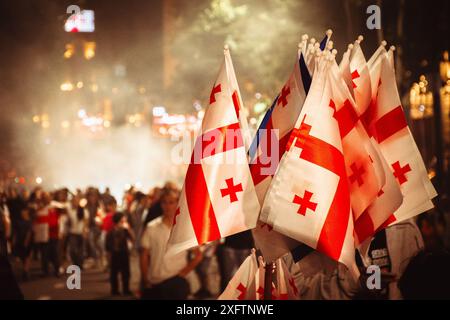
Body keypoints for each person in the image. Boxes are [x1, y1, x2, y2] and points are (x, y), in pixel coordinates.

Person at [140, 187, 202, 299]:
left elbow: (198, 255)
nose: (167, 206)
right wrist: (145, 278)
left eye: (171, 202)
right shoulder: (152, 227)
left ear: (177, 203)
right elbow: (144, 254)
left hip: (176, 281)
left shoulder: (184, 228)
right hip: (155, 280)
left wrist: (183, 273)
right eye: (164, 202)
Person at [105, 212, 134, 296]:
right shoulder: (110, 232)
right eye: (123, 220)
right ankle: (115, 290)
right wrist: (108, 257)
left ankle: (126, 289)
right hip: (115, 254)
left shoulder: (125, 230)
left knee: (126, 273)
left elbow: (133, 239)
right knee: (114, 273)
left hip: (123, 253)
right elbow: (107, 247)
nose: (124, 221)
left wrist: (129, 229)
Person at [67, 194, 87, 269]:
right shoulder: (70, 211)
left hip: (80, 232)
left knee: (80, 250)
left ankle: (80, 264)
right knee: (73, 250)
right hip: (72, 232)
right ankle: (75, 262)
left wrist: (84, 231)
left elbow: (85, 222)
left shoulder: (83, 211)